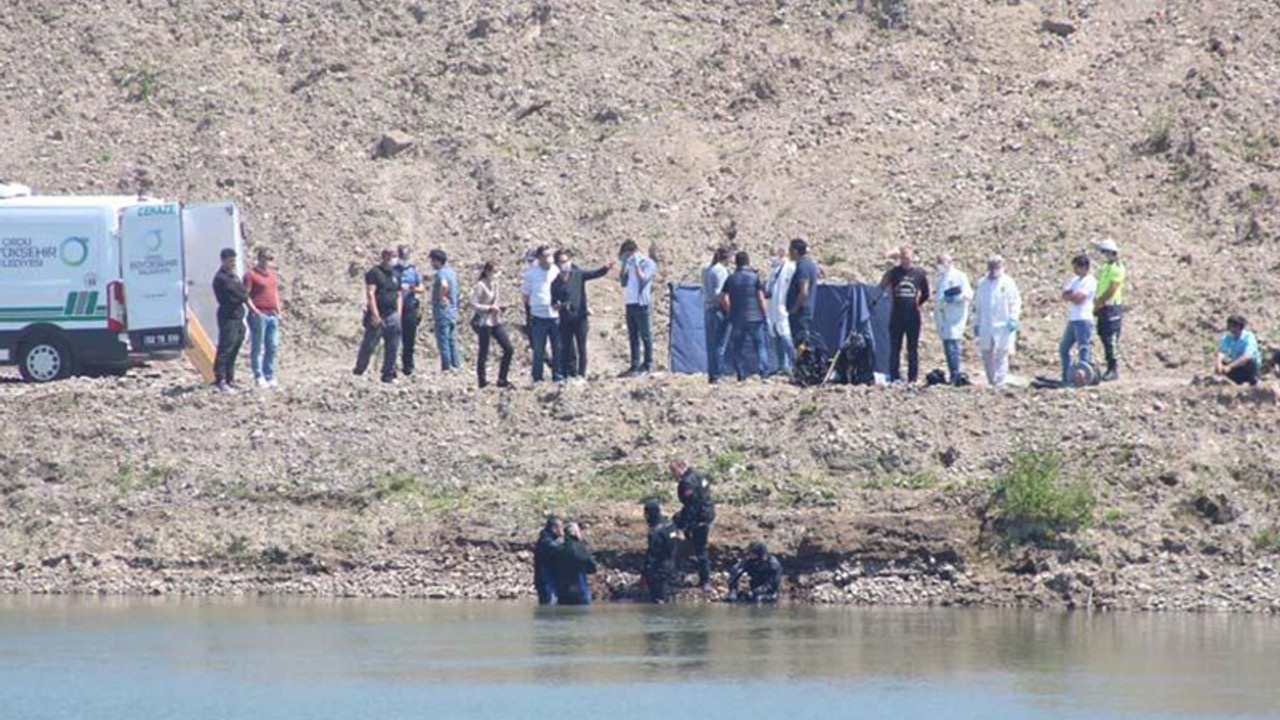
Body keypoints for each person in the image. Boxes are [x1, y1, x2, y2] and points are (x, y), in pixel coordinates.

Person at [551, 249, 613, 379]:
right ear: (556, 264)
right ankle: (569, 374)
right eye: (562, 262)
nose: (565, 264)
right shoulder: (555, 283)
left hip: (580, 318)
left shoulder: (577, 275)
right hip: (565, 320)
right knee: (567, 348)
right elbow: (553, 302)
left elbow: (594, 273)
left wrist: (605, 268)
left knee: (582, 348)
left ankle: (581, 374)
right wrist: (559, 306)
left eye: (567, 261)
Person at [880, 245, 931, 384]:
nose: (905, 260)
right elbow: (881, 286)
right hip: (896, 315)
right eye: (903, 258)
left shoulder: (919, 273)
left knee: (912, 348)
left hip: (913, 316)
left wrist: (917, 304)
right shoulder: (894, 272)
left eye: (908, 258)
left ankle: (912, 378)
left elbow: (926, 293)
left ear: (912, 258)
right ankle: (894, 376)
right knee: (895, 347)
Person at [353, 248, 402, 383]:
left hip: (393, 315)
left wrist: (398, 313)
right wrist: (375, 314)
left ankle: (388, 374)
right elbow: (371, 294)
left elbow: (398, 295)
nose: (394, 258)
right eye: (392, 256)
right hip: (378, 314)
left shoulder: (396, 274)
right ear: (384, 256)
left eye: (396, 256)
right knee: (369, 344)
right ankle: (359, 370)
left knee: (393, 346)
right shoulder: (374, 272)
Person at [972, 255, 1022, 388]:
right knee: (986, 353)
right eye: (992, 267)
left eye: (997, 267)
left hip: (1002, 324)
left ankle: (1000, 381)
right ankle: (991, 380)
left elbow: (1015, 302)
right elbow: (977, 305)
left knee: (1002, 353)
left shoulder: (1008, 282)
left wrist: (1013, 318)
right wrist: (976, 323)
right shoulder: (982, 283)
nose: (994, 270)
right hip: (986, 324)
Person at [720, 251, 769, 380]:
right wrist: (765, 314)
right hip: (755, 318)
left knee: (737, 347)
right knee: (760, 345)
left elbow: (723, 298)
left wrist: (730, 311)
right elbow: (761, 298)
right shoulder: (754, 277)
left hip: (737, 318)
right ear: (748, 262)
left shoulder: (731, 278)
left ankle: (742, 374)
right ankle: (763, 373)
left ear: (736, 263)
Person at [669, 460, 716, 589]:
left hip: (699, 517)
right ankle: (688, 563)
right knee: (677, 523)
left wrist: (685, 524)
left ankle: (705, 580)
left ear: (680, 468)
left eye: (674, 472)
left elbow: (692, 506)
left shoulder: (686, 482)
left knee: (701, 549)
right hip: (707, 512)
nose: (674, 475)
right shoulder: (699, 476)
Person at [471, 261, 514, 388]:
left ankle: (502, 378)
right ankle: (482, 381)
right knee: (484, 351)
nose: (496, 275)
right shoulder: (480, 285)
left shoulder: (495, 284)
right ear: (487, 272)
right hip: (484, 322)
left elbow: (496, 299)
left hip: (495, 321)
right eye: (494, 272)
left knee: (508, 348)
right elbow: (474, 304)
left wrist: (499, 307)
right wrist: (489, 308)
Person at [523, 245, 562, 382]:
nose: (549, 258)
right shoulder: (531, 273)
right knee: (539, 349)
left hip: (554, 315)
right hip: (538, 316)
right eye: (545, 255)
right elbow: (526, 295)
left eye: (550, 255)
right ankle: (537, 378)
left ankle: (557, 376)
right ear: (539, 258)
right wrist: (536, 306)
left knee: (557, 348)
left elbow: (561, 289)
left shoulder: (556, 271)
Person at [243, 246, 281, 388]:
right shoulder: (250, 275)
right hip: (259, 314)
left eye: (270, 259)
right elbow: (245, 295)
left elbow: (275, 293)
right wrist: (254, 310)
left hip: (272, 315)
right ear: (259, 259)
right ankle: (258, 375)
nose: (267, 262)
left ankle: (269, 374)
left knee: (272, 346)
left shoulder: (272, 276)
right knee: (258, 346)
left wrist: (279, 310)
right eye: (265, 259)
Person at [212, 247, 248, 392]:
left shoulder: (233, 276)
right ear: (223, 261)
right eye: (230, 261)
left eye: (234, 260)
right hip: (228, 315)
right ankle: (220, 378)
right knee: (226, 346)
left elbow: (243, 293)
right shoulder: (221, 278)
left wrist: (242, 294)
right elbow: (238, 294)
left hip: (238, 315)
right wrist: (242, 294)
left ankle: (230, 377)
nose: (232, 263)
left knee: (236, 344)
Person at [933, 251, 971, 386]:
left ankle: (955, 375)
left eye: (941, 262)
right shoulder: (940, 278)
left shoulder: (960, 276)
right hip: (944, 318)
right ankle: (952, 373)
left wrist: (955, 298)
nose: (939, 265)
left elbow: (967, 294)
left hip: (955, 317)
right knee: (947, 346)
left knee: (953, 346)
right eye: (938, 263)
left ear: (950, 262)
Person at [619, 239, 656, 376]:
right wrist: (624, 267)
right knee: (633, 336)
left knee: (646, 335)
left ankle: (647, 364)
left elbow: (643, 278)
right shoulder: (627, 263)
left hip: (642, 303)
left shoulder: (648, 263)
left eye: (627, 254)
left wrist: (636, 265)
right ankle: (634, 365)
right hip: (630, 303)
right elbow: (623, 282)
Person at [1092, 238, 1127, 382]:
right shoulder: (1106, 266)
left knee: (1110, 338)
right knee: (1102, 334)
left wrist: (1100, 301)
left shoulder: (1117, 268)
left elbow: (1112, 288)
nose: (1104, 255)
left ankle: (1113, 369)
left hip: (1111, 306)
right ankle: (1109, 366)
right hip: (1103, 305)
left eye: (1105, 252)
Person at [1059, 254, 1097, 386]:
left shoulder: (1090, 281)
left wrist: (1072, 296)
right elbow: (1065, 295)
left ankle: (1084, 376)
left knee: (1083, 348)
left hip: (1084, 318)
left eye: (1077, 267)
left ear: (1084, 267)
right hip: (1073, 318)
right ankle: (1067, 375)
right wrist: (1071, 296)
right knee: (1064, 347)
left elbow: (1080, 298)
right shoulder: (1074, 280)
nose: (1075, 270)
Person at [764, 244, 796, 376]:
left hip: (782, 308)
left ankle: (795, 364)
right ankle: (783, 366)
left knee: (786, 338)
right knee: (776, 337)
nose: (772, 258)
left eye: (774, 254)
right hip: (772, 309)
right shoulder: (774, 270)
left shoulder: (789, 267)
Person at [701, 246, 732, 383]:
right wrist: (729, 310)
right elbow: (721, 295)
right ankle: (718, 375)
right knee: (720, 344)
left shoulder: (706, 269)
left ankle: (712, 375)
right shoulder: (721, 271)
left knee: (711, 345)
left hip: (707, 308)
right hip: (718, 309)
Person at [429, 249, 461, 372]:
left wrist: (442, 297)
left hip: (442, 312)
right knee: (451, 340)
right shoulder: (451, 272)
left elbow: (444, 285)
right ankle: (456, 365)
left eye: (432, 260)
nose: (431, 263)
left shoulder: (441, 273)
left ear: (437, 261)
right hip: (452, 311)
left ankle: (446, 367)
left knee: (443, 340)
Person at [642, 500, 679, 604]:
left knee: (659, 599)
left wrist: (645, 572)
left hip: (659, 569)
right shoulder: (670, 524)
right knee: (668, 595)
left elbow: (652, 554)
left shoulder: (655, 532)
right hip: (672, 564)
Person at [552, 522, 598, 606]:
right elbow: (593, 568)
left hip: (563, 592)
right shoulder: (581, 549)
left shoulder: (558, 550)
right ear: (576, 533)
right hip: (580, 591)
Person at [396, 245, 424, 376]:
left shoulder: (413, 271)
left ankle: (408, 365)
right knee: (393, 337)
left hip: (409, 306)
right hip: (395, 307)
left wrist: (411, 288)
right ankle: (391, 364)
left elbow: (422, 288)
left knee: (409, 338)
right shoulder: (393, 270)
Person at [785, 238, 819, 348]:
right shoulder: (810, 264)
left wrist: (794, 309)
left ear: (795, 251)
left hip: (800, 313)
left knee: (800, 342)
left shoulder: (802, 266)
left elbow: (803, 291)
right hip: (804, 311)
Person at [1215, 315, 1262, 386]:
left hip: (1248, 368)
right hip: (1236, 366)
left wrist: (1230, 366)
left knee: (1249, 362)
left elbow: (1247, 356)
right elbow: (1222, 351)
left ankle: (1254, 381)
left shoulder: (1248, 337)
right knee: (1223, 363)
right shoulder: (1228, 337)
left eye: (1233, 327)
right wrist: (1219, 364)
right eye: (1229, 327)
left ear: (1239, 327)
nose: (1231, 329)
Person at [533, 515, 563, 605]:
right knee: (549, 605)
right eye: (561, 527)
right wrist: (563, 539)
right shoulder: (545, 541)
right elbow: (555, 548)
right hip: (546, 581)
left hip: (549, 580)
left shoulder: (547, 539)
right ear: (554, 528)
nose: (562, 530)